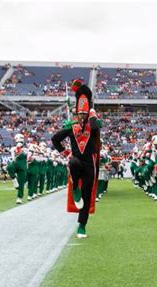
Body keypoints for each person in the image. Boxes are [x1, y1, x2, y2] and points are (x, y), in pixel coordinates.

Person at [51, 81, 100, 238]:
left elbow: (94, 127)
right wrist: (65, 152)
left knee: (87, 195)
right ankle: (74, 189)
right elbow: (55, 139)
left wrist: (91, 115)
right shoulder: (71, 127)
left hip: (89, 165)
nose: (81, 116)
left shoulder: (93, 125)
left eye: (84, 114)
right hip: (76, 162)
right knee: (72, 162)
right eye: (80, 113)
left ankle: (82, 225)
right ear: (76, 113)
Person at [7, 133, 28, 204]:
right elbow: (13, 158)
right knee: (9, 167)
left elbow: (26, 156)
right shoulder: (13, 148)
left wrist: (19, 148)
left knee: (21, 183)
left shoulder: (26, 149)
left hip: (23, 166)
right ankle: (14, 179)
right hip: (16, 163)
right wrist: (17, 148)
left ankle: (19, 198)